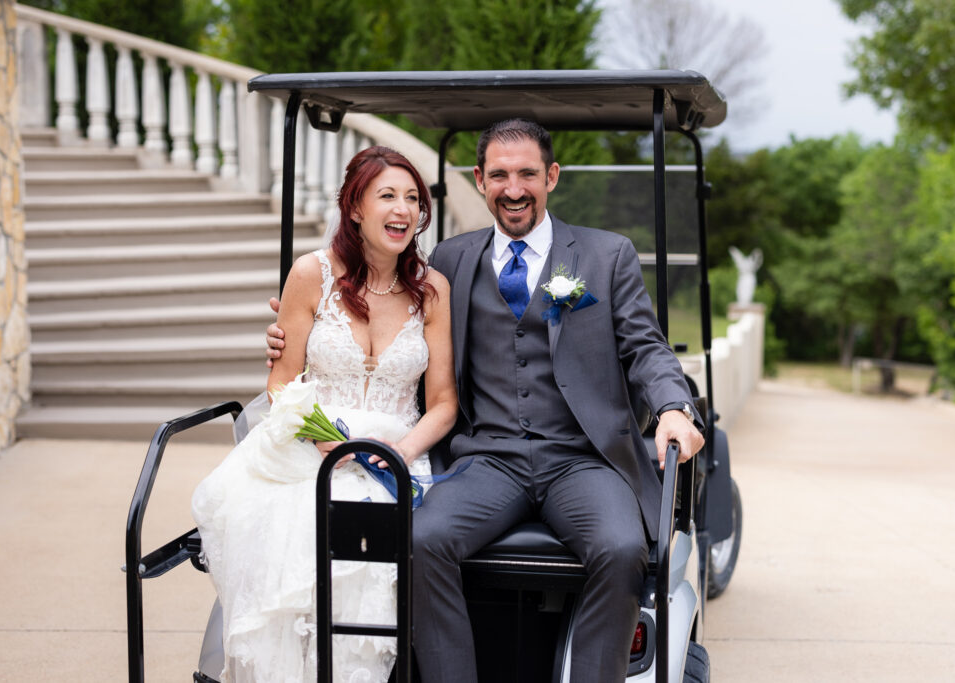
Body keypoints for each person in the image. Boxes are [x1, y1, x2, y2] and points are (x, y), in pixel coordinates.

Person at [267, 120, 704, 683]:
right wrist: (291, 326)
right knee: (422, 538)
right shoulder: (450, 260)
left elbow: (646, 347)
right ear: (479, 180)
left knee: (621, 549)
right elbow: (375, 300)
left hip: (583, 460)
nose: (513, 187)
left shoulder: (606, 255)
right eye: (499, 175)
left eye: (527, 173)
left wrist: (672, 406)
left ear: (551, 176)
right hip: (487, 460)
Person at [194, 145, 457, 683]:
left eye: (413, 198)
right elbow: (282, 379)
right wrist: (321, 439)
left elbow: (445, 402)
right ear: (355, 207)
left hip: (394, 456)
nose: (402, 209)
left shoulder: (432, 289)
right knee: (293, 543)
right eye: (387, 195)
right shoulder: (310, 274)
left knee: (364, 551)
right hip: (308, 444)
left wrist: (398, 454)